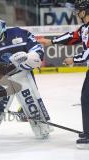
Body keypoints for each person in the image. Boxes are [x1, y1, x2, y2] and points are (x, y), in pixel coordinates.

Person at [0, 17, 52, 139]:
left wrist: (31, 57)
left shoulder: (18, 33)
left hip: (21, 73)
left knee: (30, 100)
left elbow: (36, 48)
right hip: (1, 77)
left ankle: (41, 125)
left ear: (2, 26)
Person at [38, 0, 89, 149]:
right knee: (86, 99)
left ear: (85, 11)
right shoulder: (85, 28)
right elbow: (71, 36)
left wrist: (73, 59)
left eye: (78, 10)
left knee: (86, 99)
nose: (76, 13)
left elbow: (87, 53)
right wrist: (51, 41)